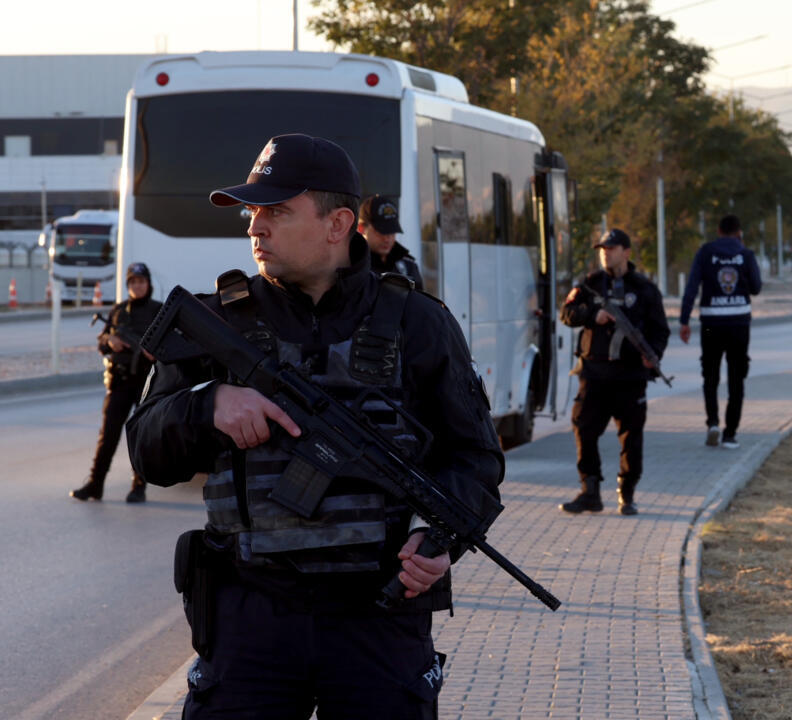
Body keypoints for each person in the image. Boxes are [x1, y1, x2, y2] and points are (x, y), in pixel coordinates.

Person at [125, 134, 503, 719]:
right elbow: (146, 452)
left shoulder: (419, 324)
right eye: (252, 211)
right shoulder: (213, 322)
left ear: (338, 224)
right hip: (250, 617)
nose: (255, 227)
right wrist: (207, 406)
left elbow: (476, 459)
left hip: (377, 618)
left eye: (275, 210)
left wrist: (438, 543)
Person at [558, 228, 669, 516]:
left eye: (611, 248)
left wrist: (652, 356)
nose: (605, 253)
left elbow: (660, 331)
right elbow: (566, 313)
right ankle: (590, 491)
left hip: (630, 377)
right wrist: (592, 316)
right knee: (584, 429)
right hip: (594, 374)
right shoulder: (590, 285)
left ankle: (627, 493)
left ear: (626, 252)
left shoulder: (645, 289)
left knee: (631, 438)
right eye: (602, 248)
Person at [70, 262, 161, 503]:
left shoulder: (158, 311)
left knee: (141, 435)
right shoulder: (119, 310)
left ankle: (139, 486)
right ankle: (95, 484)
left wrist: (154, 352)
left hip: (145, 383)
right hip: (119, 380)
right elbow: (102, 340)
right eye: (133, 282)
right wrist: (110, 341)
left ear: (148, 284)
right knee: (107, 435)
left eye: (141, 282)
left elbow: (171, 343)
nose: (137, 286)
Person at [678, 214, 762, 450]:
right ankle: (730, 434)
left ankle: (713, 422)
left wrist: (684, 320)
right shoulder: (745, 255)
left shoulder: (706, 252)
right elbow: (756, 288)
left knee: (710, 376)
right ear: (739, 232)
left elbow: (692, 287)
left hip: (710, 324)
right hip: (739, 325)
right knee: (737, 379)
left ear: (718, 230)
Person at [359, 194, 423, 287]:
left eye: (392, 231)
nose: (387, 239)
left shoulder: (408, 267)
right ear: (361, 229)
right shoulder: (352, 267)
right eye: (380, 232)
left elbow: (419, 300)